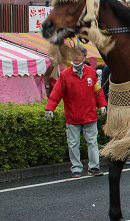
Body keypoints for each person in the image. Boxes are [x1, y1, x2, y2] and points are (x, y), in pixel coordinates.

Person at [45, 44, 108, 178]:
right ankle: (76, 168)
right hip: (72, 116)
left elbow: (96, 89)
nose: (76, 57)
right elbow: (56, 93)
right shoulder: (65, 75)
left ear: (84, 56)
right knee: (73, 143)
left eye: (79, 54)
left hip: (90, 115)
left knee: (92, 142)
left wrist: (102, 104)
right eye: (74, 54)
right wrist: (50, 108)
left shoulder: (91, 71)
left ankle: (94, 167)